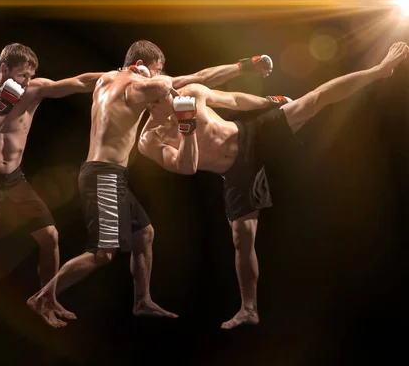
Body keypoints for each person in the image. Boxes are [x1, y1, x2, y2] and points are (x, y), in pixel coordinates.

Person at [137, 41, 409, 329]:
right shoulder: (150, 139)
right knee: (242, 237)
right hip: (234, 172)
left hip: (251, 135)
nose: (166, 92)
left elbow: (234, 101)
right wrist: (186, 124)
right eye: (154, 94)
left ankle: (379, 70)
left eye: (163, 87)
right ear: (146, 100)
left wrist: (271, 101)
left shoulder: (191, 92)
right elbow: (187, 167)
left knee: (314, 99)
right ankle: (249, 310)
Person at [27, 39, 272, 328]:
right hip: (104, 175)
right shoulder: (145, 85)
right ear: (142, 66)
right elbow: (198, 78)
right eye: (157, 71)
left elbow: (73, 82)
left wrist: (34, 89)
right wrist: (244, 65)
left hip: (104, 173)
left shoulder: (104, 79)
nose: (160, 78)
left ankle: (142, 301)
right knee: (101, 254)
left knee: (144, 234)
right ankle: (42, 298)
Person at [0, 43, 104, 324]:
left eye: (31, 75)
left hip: (14, 178)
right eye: (22, 75)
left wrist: (117, 75)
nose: (27, 81)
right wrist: (2, 109)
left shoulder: (34, 89)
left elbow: (80, 82)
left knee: (50, 236)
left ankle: (46, 299)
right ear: (4, 69)